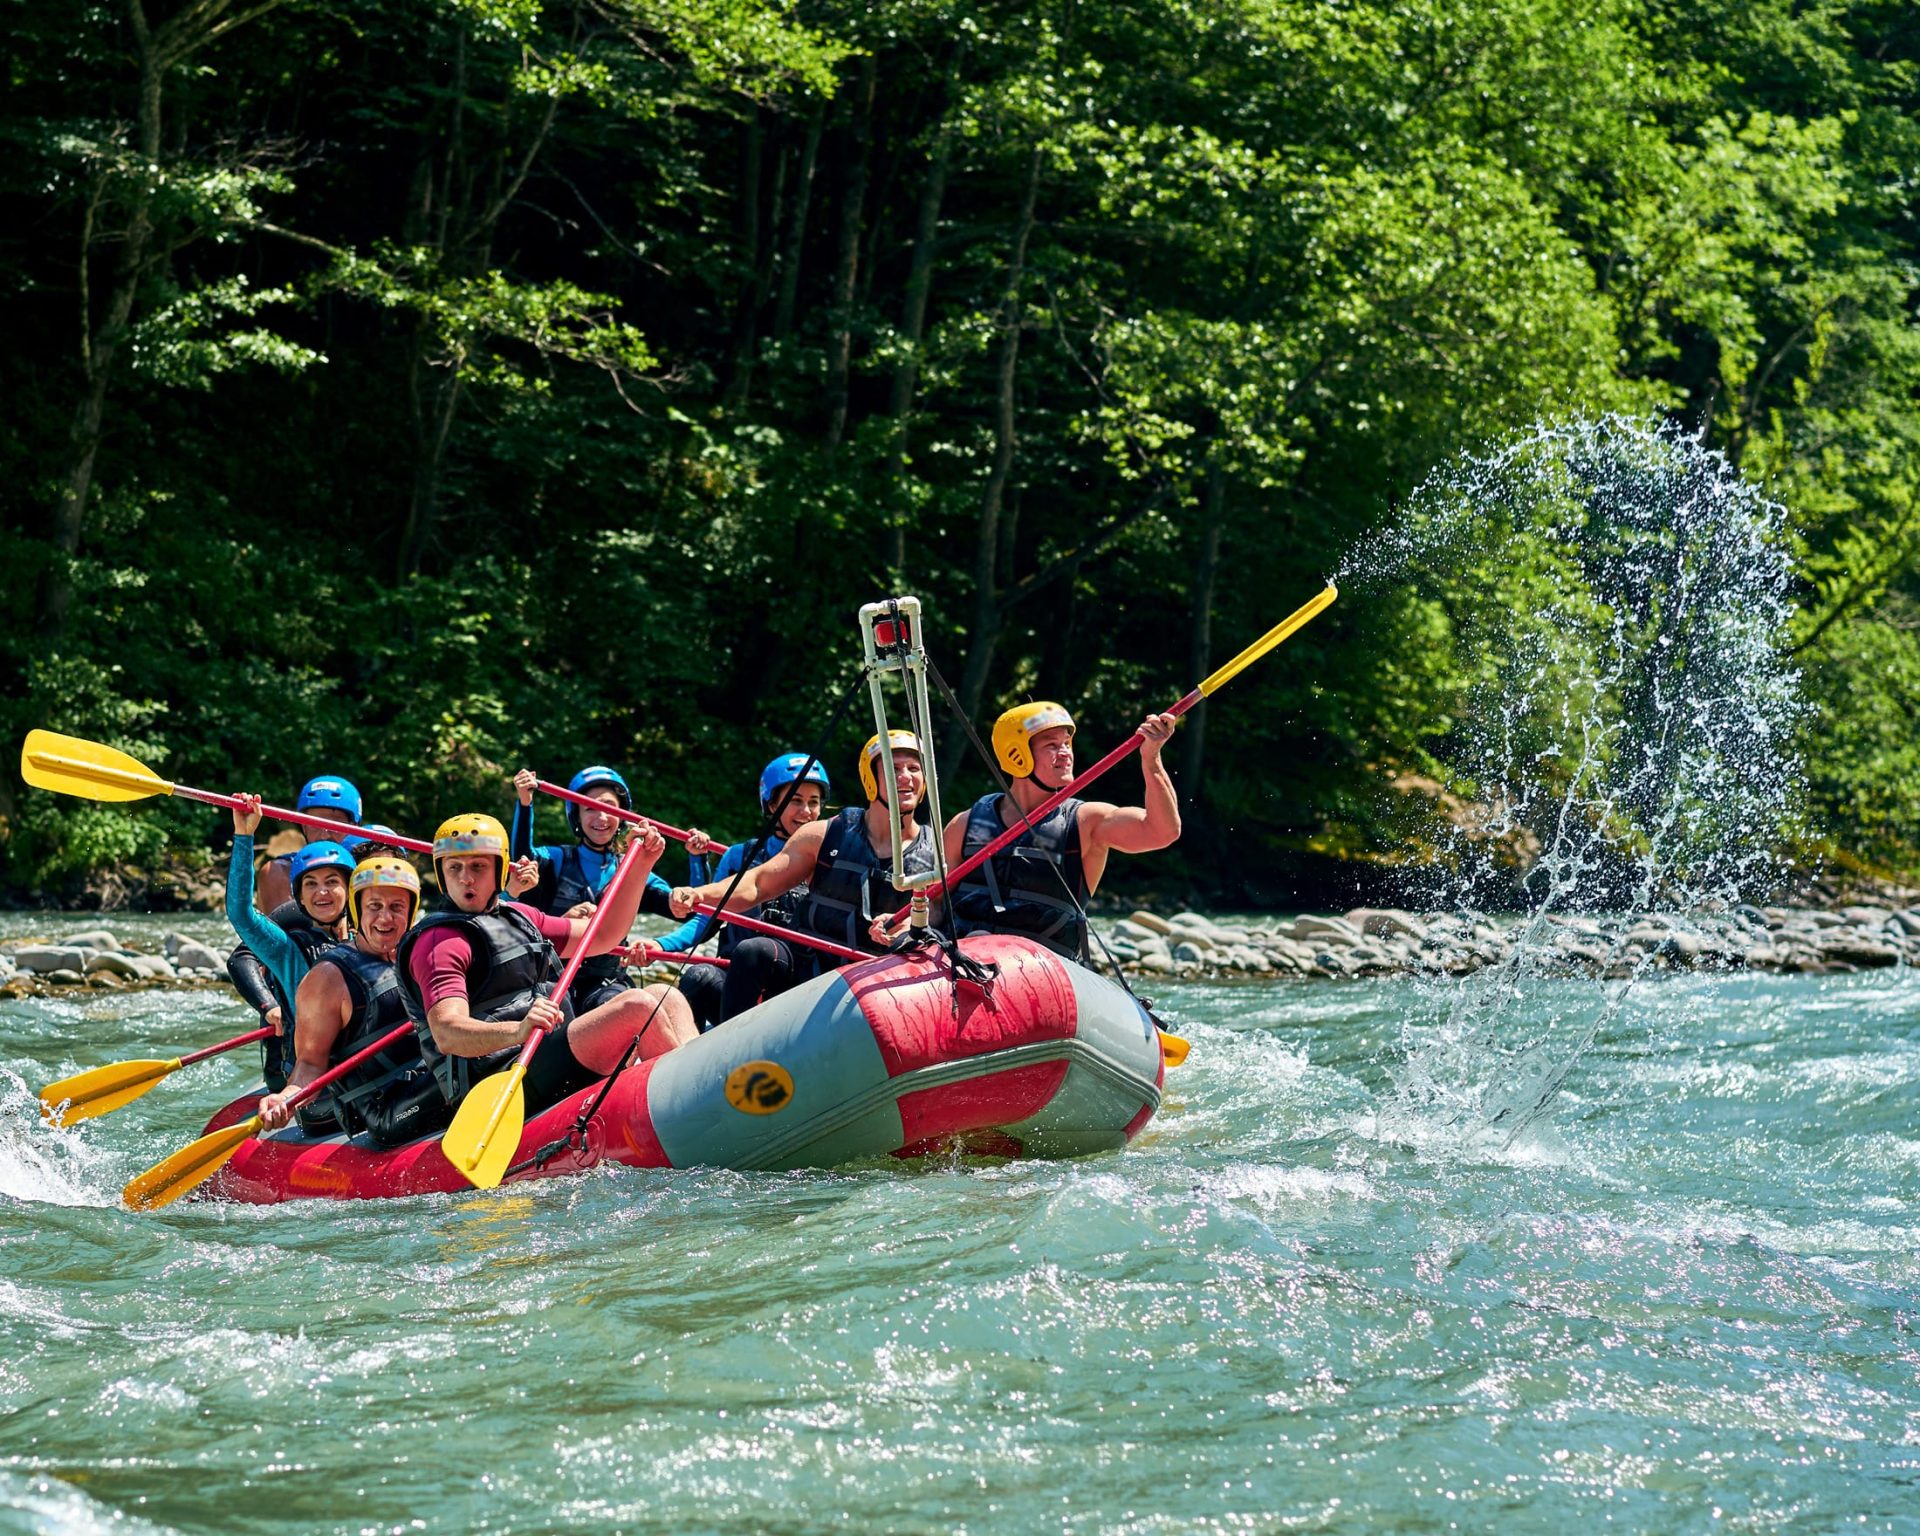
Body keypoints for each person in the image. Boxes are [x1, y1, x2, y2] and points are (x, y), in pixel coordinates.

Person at [378, 813, 697, 1147]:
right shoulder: (439, 943)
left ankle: (696, 1089)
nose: (466, 879)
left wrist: (640, 866)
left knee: (666, 995)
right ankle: (691, 1112)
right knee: (638, 1007)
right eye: (454, 868)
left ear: (501, 870)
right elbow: (447, 1033)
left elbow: (603, 935)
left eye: (478, 867)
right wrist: (517, 1031)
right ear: (442, 875)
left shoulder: (519, 917)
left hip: (546, 1052)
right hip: (499, 1076)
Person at [669, 731, 937, 981]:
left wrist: (909, 925)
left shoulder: (937, 850)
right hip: (811, 970)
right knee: (743, 956)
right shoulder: (821, 835)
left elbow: (943, 916)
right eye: (893, 769)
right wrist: (700, 894)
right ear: (870, 778)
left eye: (914, 769)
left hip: (880, 979)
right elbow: (758, 884)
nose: (905, 776)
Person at [943, 702, 1181, 960]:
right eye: (1052, 746)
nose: (1066, 753)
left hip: (1044, 970)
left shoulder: (1086, 821)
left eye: (1067, 743)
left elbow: (1161, 832)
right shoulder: (964, 825)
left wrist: (1152, 759)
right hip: (966, 960)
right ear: (1017, 754)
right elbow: (935, 904)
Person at [507, 765, 709, 1014]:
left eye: (609, 808)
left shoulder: (635, 871)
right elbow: (523, 858)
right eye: (590, 808)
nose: (601, 817)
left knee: (619, 1005)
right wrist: (525, 803)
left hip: (607, 982)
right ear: (577, 816)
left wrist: (697, 859)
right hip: (552, 978)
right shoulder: (557, 859)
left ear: (622, 815)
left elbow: (694, 913)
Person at [256, 857, 423, 1138]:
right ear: (357, 910)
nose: (385, 918)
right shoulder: (327, 978)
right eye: (374, 907)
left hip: (421, 1081)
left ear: (411, 912)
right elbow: (309, 1062)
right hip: (381, 1107)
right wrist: (286, 1097)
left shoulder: (418, 955)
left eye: (397, 908)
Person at [670, 752, 831, 1029]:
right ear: (771, 805)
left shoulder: (828, 861)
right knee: (698, 977)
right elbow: (706, 921)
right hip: (737, 985)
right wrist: (660, 945)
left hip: (793, 985)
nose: (806, 811)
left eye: (813, 802)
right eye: (795, 800)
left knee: (755, 951)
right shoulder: (738, 856)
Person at [225, 795, 357, 1091]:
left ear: (350, 890)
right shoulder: (289, 951)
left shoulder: (369, 939)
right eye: (311, 884)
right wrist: (244, 836)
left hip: (365, 1072)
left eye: (332, 882)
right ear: (298, 896)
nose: (321, 892)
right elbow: (240, 914)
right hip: (318, 1083)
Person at [255, 775, 364, 912]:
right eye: (315, 824)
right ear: (304, 828)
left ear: (354, 827)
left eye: (335, 825)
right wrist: (244, 836)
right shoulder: (280, 872)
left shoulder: (368, 871)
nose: (324, 835)